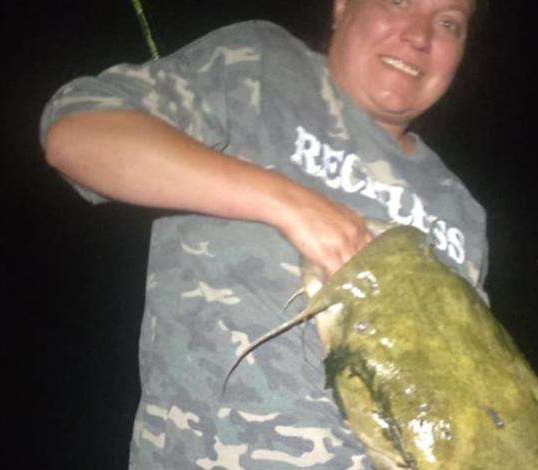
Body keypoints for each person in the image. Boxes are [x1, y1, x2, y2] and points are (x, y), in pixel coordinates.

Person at [39, 0, 487, 468]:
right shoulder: (259, 66)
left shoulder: (460, 208)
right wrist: (291, 204)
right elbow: (77, 133)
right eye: (399, 2)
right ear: (342, 7)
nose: (420, 35)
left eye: (449, 23)